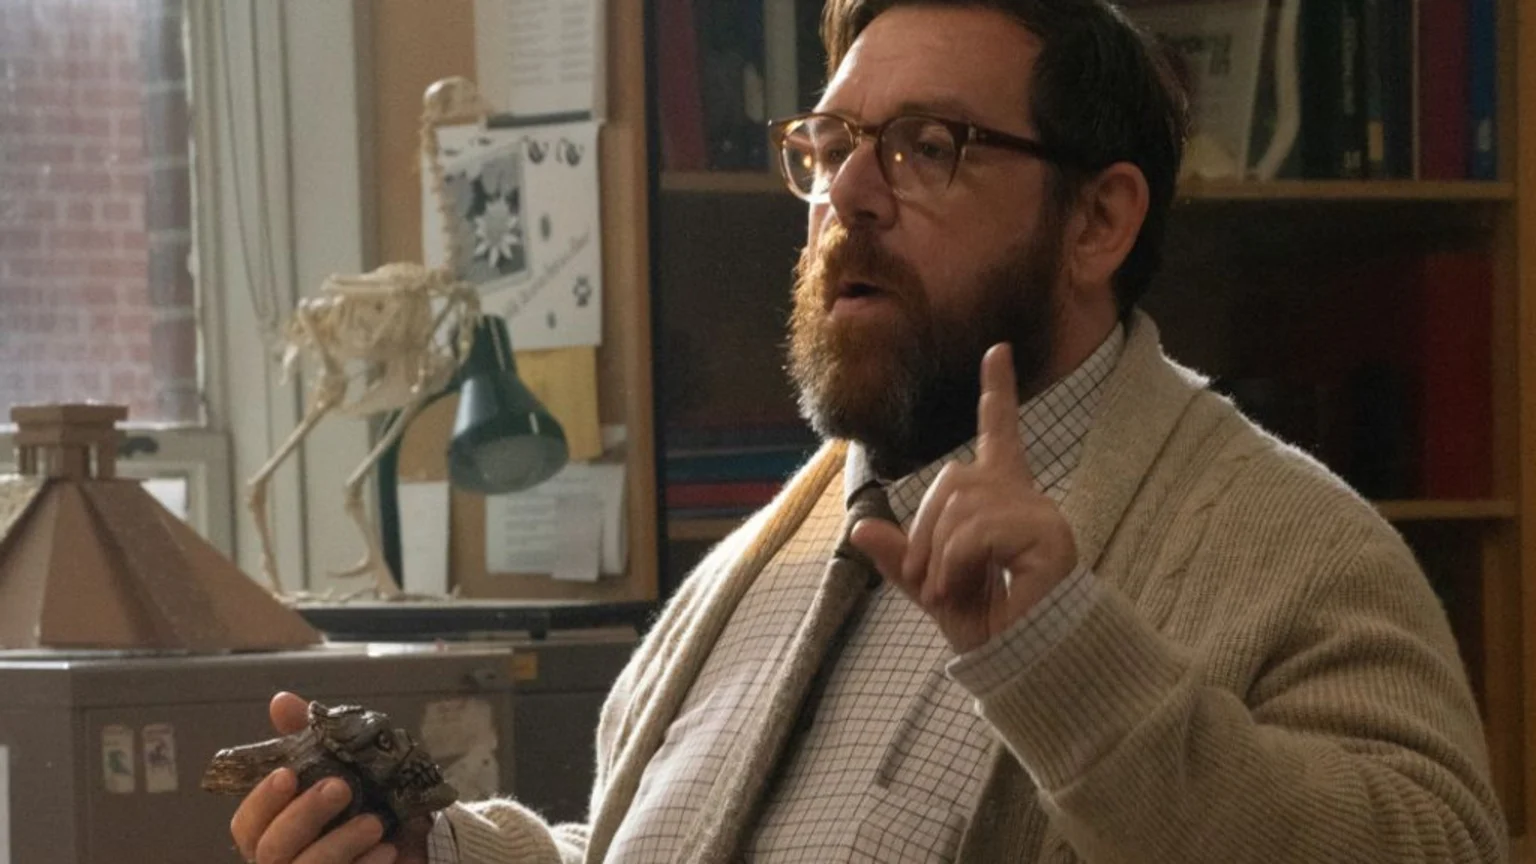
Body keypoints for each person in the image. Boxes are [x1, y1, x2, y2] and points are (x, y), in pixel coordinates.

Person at [229, 0, 1506, 861]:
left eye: (927, 146)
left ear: (1099, 222)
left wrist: (1074, 663)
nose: (845, 191)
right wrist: (439, 850)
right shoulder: (771, 554)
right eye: (831, 144)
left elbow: (1433, 842)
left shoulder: (1287, 543)